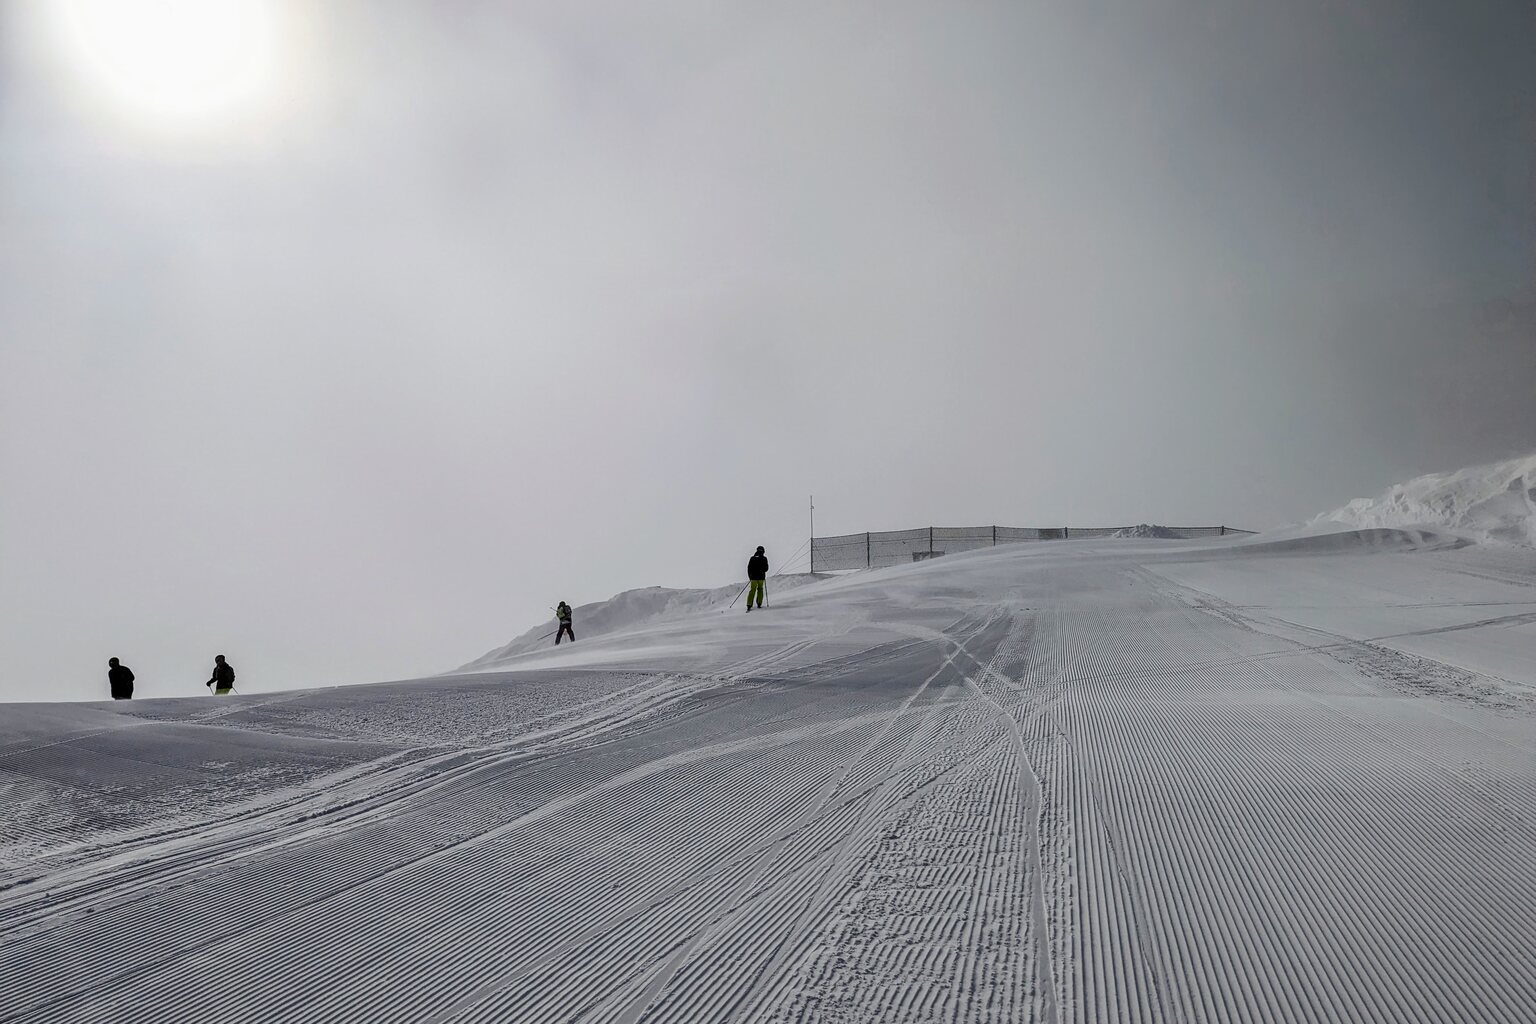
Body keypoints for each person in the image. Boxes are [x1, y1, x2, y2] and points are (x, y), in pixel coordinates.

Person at [745, 545, 768, 612]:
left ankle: (749, 605)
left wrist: (750, 577)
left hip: (753, 578)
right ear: (763, 551)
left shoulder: (752, 558)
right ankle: (759, 603)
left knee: (752, 590)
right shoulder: (764, 558)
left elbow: (749, 568)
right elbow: (766, 569)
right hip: (761, 578)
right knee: (760, 589)